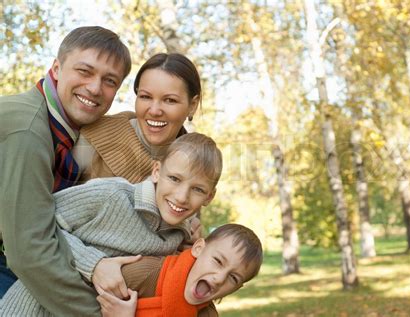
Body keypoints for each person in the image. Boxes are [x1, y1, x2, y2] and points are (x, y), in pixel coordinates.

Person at [0, 132, 223, 316]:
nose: (182, 196)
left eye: (198, 189)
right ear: (156, 171)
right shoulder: (110, 194)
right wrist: (94, 264)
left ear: (209, 197)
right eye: (174, 179)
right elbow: (34, 226)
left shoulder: (179, 239)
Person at [0, 26, 131, 316]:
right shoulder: (29, 132)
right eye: (85, 71)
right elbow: (29, 252)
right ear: (57, 68)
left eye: (110, 81)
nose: (95, 88)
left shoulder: (68, 132)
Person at [74, 52, 201, 183]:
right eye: (145, 97)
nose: (154, 111)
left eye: (169, 100)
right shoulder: (96, 135)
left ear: (192, 106)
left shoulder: (196, 163)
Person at [99, 223, 263, 317]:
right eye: (218, 261)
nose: (220, 278)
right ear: (198, 248)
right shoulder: (146, 272)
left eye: (233, 278)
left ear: (235, 289)